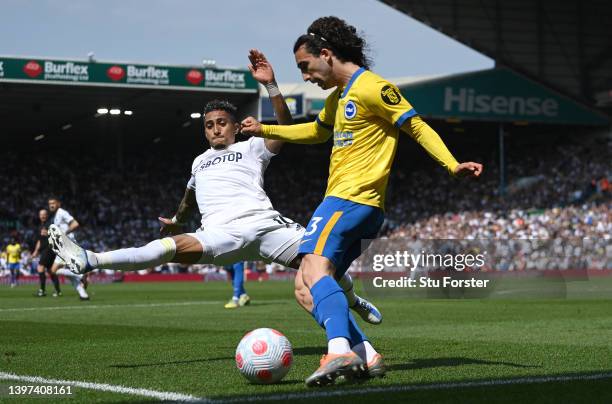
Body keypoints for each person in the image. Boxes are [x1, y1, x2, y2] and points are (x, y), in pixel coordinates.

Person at [49, 49, 381, 324]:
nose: (216, 129)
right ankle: (91, 259)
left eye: (222, 123)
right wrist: (178, 220)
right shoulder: (198, 162)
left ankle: (354, 300)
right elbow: (189, 196)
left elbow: (285, 126)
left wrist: (272, 86)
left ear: (235, 127)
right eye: (209, 125)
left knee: (320, 267)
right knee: (162, 248)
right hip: (221, 233)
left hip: (265, 224)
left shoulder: (252, 145)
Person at [240, 16, 483, 386]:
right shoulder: (339, 98)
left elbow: (415, 124)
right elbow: (316, 132)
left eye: (306, 67)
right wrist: (266, 129)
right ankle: (366, 356)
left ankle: (338, 351)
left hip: (349, 200)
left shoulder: (372, 87)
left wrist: (451, 165)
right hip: (359, 208)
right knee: (306, 288)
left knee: (315, 270)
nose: (306, 76)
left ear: (326, 54)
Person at [48, 196, 90, 300]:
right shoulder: (56, 215)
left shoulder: (62, 212)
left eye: (53, 203)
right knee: (64, 273)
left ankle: (80, 276)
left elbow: (75, 224)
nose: (51, 205)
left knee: (54, 270)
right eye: (50, 204)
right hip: (63, 246)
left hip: (68, 245)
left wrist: (64, 234)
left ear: (58, 204)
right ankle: (83, 294)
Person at [31, 208, 62, 297]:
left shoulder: (51, 224)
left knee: (40, 268)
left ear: (47, 215)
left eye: (44, 214)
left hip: (49, 249)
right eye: (41, 214)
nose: (43, 216)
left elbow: (58, 235)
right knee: (51, 271)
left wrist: (48, 233)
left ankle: (42, 291)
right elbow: (39, 241)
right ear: (39, 216)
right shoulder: (40, 226)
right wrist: (36, 251)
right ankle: (58, 291)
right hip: (44, 249)